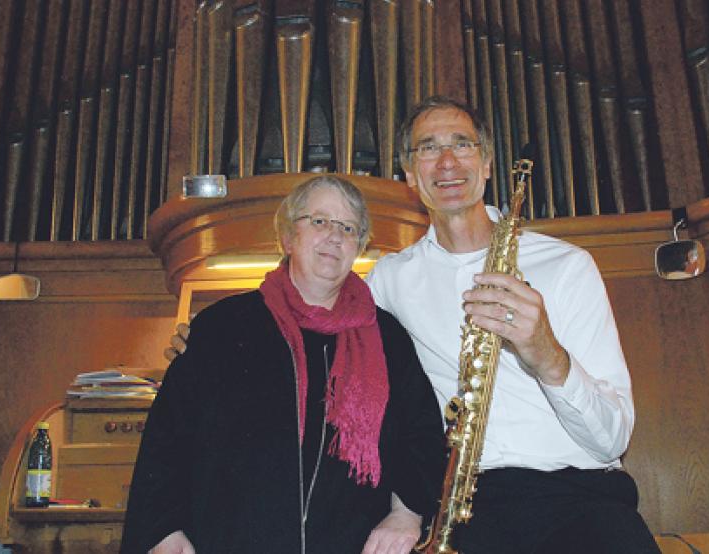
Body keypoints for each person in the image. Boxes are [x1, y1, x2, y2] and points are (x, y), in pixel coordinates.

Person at [168, 97, 660, 553]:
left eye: (462, 144)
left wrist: (546, 354)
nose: (447, 162)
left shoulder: (568, 266)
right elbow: (314, 327)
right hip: (466, 512)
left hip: (581, 499)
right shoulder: (388, 281)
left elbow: (612, 439)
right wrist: (219, 345)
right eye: (429, 148)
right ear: (410, 175)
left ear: (487, 165)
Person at [122, 175, 447, 554]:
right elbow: (167, 440)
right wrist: (164, 530)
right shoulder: (223, 327)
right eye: (319, 221)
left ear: (358, 246)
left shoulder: (387, 337)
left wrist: (406, 513)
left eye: (348, 228)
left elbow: (421, 436)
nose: (334, 236)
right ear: (288, 237)